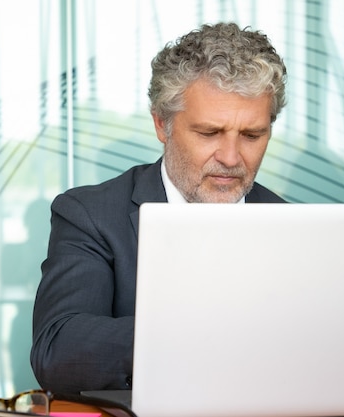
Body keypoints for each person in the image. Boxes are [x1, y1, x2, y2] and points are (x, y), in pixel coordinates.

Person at [31, 22, 288, 394]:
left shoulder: (291, 224)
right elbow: (59, 350)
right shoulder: (91, 215)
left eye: (251, 135)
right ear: (161, 124)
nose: (231, 158)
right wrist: (198, 335)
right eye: (209, 133)